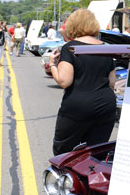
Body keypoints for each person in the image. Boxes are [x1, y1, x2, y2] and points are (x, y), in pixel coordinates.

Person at [50, 8, 116, 155]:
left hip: (78, 106)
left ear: (72, 26)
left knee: (63, 151)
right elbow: (112, 81)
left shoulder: (71, 48)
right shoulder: (105, 48)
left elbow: (64, 81)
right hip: (105, 106)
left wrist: (53, 65)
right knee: (96, 151)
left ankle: (65, 177)